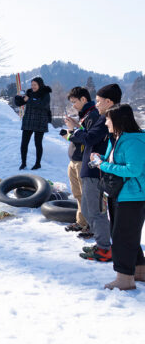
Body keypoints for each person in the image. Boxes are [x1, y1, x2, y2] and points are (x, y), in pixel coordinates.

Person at [88, 104, 145, 290]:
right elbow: (111, 162)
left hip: (133, 196)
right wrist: (100, 160)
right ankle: (139, 271)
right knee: (126, 235)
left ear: (119, 121)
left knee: (122, 238)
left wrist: (103, 166)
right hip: (119, 194)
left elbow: (134, 169)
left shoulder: (133, 141)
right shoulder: (117, 138)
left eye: (108, 119)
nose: (105, 122)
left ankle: (124, 279)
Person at [66, 83, 119, 257]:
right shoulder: (104, 118)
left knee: (95, 211)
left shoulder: (105, 119)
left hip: (96, 170)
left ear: (109, 101)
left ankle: (104, 248)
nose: (96, 104)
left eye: (98, 101)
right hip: (92, 168)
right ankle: (102, 244)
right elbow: (90, 135)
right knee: (90, 210)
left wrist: (73, 131)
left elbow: (89, 138)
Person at [60, 87, 92, 232]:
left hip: (82, 161)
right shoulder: (84, 115)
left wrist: (73, 129)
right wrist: (73, 127)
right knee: (78, 194)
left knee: (87, 195)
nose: (73, 105)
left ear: (83, 99)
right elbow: (80, 134)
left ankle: (90, 225)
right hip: (74, 160)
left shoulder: (93, 115)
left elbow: (87, 138)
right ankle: (81, 222)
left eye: (74, 102)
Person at [14, 77, 52, 170]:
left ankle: (38, 163)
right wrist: (18, 97)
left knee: (38, 143)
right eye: (32, 85)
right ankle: (23, 163)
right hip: (28, 120)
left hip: (40, 120)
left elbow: (42, 105)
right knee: (24, 143)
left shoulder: (45, 93)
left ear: (40, 84)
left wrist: (29, 100)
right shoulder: (29, 92)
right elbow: (20, 103)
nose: (33, 87)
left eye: (35, 85)